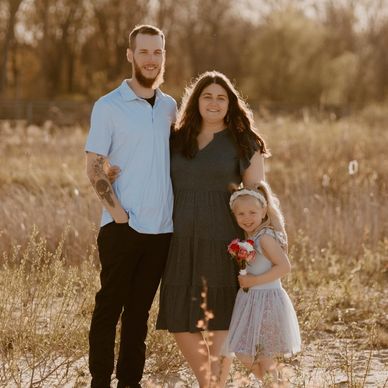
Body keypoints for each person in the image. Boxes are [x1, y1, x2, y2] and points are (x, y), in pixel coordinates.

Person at [155, 71, 269, 387]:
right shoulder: (176, 139)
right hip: (180, 238)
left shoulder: (244, 142)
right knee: (179, 319)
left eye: (222, 97)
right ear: (196, 100)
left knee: (222, 317)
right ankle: (211, 382)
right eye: (208, 96)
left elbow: (258, 195)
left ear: (230, 104)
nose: (214, 103)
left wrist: (262, 242)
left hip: (225, 240)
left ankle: (214, 384)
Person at [84, 25, 176, 388]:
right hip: (122, 227)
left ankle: (130, 383)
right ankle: (100, 382)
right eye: (144, 52)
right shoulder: (108, 106)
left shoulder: (171, 107)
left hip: (161, 232)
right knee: (109, 310)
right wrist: (119, 214)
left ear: (163, 56)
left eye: (158, 52)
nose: (151, 59)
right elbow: (93, 166)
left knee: (139, 316)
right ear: (130, 55)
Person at [223, 182, 301, 385]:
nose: (247, 218)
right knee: (243, 352)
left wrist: (253, 280)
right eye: (241, 214)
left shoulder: (265, 237)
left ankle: (272, 382)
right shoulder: (251, 237)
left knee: (264, 357)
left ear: (263, 211)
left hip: (268, 301)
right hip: (251, 301)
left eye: (252, 212)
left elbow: (284, 267)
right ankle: (272, 382)